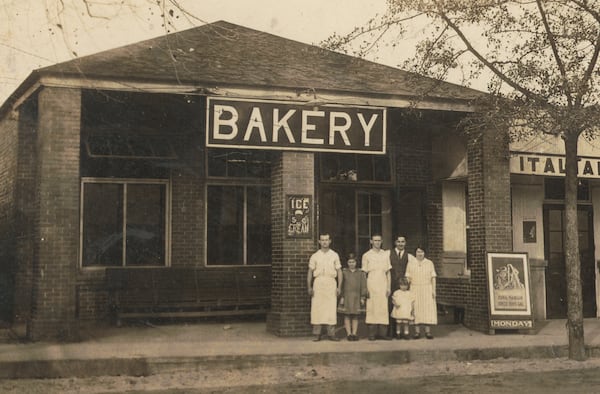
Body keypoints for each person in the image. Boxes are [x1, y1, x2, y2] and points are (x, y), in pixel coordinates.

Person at [307, 233, 343, 341]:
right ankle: (317, 334)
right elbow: (310, 272)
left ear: (330, 241)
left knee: (330, 308)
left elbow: (339, 271)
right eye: (322, 240)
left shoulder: (334, 255)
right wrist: (309, 286)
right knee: (317, 308)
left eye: (326, 240)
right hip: (318, 282)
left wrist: (339, 287)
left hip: (331, 282)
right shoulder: (315, 256)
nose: (324, 242)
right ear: (319, 242)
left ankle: (331, 334)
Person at [361, 234, 392, 340]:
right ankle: (372, 334)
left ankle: (383, 334)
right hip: (372, 283)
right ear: (371, 242)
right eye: (375, 240)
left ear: (381, 241)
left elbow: (388, 272)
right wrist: (365, 288)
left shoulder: (385, 254)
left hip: (383, 283)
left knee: (383, 308)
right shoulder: (366, 255)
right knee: (372, 308)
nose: (377, 242)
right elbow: (364, 274)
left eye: (379, 240)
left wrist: (389, 287)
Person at [405, 246, 437, 339]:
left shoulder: (429, 263)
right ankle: (417, 332)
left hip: (427, 288)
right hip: (414, 288)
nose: (420, 254)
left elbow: (433, 278)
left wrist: (434, 290)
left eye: (422, 252)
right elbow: (408, 277)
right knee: (416, 309)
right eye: (418, 252)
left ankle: (428, 332)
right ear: (415, 253)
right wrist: (407, 291)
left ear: (425, 253)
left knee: (427, 309)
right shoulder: (411, 263)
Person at [338, 253, 367, 341]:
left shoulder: (360, 273)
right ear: (347, 263)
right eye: (350, 262)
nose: (351, 264)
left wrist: (362, 297)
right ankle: (349, 334)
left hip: (356, 296)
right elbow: (341, 285)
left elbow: (363, 285)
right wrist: (342, 296)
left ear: (356, 263)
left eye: (353, 262)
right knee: (347, 315)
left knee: (355, 315)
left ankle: (354, 333)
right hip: (346, 296)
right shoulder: (344, 272)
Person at [389, 235, 412, 338]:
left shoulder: (409, 256)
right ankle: (393, 332)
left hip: (403, 285)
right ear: (395, 242)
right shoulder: (388, 254)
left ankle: (404, 332)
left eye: (402, 242)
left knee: (404, 307)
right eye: (398, 242)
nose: (400, 244)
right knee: (393, 307)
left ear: (405, 243)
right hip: (392, 284)